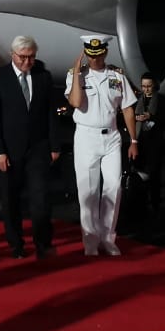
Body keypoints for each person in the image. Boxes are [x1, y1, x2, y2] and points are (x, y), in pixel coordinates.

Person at [0, 34, 61, 259]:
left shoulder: (43, 77)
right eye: (23, 57)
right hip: (8, 150)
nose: (27, 62)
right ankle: (16, 244)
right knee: (10, 201)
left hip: (38, 148)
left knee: (41, 198)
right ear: (12, 54)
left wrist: (54, 146)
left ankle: (43, 244)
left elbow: (50, 114)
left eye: (31, 57)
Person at [66, 35, 138, 255]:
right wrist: (78, 72)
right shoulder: (76, 76)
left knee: (113, 188)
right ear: (86, 54)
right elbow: (75, 102)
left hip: (112, 136)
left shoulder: (116, 76)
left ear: (105, 52)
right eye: (90, 55)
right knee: (88, 190)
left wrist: (133, 140)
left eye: (98, 55)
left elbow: (127, 108)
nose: (94, 59)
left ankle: (108, 237)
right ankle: (90, 241)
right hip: (86, 136)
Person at [132, 72, 165, 217]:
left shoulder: (162, 100)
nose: (146, 89)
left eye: (149, 86)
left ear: (154, 86)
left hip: (155, 142)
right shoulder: (138, 100)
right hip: (140, 141)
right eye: (143, 86)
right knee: (139, 173)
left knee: (154, 174)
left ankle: (155, 203)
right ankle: (140, 201)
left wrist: (151, 117)